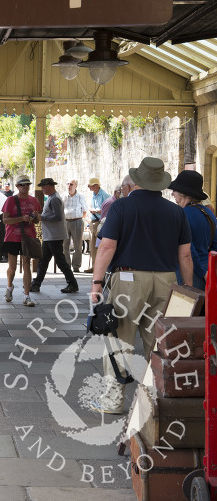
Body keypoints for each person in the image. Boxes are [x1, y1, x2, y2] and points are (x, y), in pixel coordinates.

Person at [89, 157, 193, 414]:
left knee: (119, 339)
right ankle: (154, 399)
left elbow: (107, 246)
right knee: (157, 342)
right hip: (166, 280)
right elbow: (185, 256)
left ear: (136, 181)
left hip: (129, 279)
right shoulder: (176, 211)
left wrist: (96, 283)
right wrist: (188, 288)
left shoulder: (121, 207)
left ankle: (113, 401)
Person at [169, 170, 217, 290]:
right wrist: (209, 271)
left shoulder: (183, 214)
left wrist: (202, 272)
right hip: (208, 270)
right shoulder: (208, 213)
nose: (172, 194)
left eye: (174, 191)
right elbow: (215, 246)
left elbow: (188, 251)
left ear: (183, 193)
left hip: (191, 272)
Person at [30, 178, 79, 294]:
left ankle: (72, 284)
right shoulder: (53, 198)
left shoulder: (54, 199)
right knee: (44, 260)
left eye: (43, 186)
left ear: (49, 186)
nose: (41, 189)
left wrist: (42, 217)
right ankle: (36, 284)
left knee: (59, 261)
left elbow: (58, 217)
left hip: (54, 235)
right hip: (51, 235)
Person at [2, 174, 41, 307]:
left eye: (27, 184)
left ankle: (26, 296)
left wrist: (35, 217)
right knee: (12, 267)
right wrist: (21, 219)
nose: (25, 187)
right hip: (12, 237)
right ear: (17, 186)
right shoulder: (10, 200)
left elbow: (36, 220)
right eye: (22, 185)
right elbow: (5, 220)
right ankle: (9, 287)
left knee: (26, 265)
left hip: (28, 237)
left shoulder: (34, 201)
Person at [84, 177, 110, 273]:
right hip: (93, 221)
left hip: (100, 222)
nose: (89, 187)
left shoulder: (104, 195)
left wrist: (95, 210)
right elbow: (91, 206)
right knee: (93, 246)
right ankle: (94, 266)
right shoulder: (94, 195)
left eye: (90, 185)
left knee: (99, 246)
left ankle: (100, 267)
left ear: (96, 186)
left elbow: (106, 209)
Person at [63, 179, 87, 272]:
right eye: (68, 184)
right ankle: (66, 265)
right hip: (65, 222)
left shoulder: (80, 196)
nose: (69, 186)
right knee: (65, 245)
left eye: (71, 184)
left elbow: (85, 210)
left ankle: (76, 266)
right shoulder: (63, 196)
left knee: (78, 246)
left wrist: (78, 218)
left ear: (76, 185)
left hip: (77, 221)